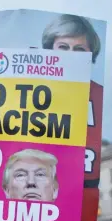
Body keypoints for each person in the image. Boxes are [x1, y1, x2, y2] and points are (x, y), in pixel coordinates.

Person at [42, 14, 103, 186]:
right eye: (63, 47)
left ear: (90, 56)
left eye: (79, 49)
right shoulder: (27, 91)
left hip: (85, 185)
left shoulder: (100, 95)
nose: (71, 56)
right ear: (50, 50)